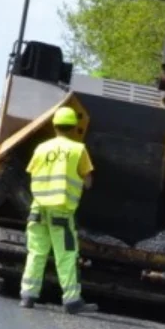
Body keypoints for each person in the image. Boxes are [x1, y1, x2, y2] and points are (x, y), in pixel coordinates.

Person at [20, 106, 97, 314]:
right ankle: (71, 300)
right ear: (74, 128)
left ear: (54, 126)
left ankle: (28, 296)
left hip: (37, 209)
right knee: (66, 255)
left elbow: (31, 173)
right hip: (61, 211)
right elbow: (88, 181)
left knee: (36, 252)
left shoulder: (41, 148)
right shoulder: (78, 150)